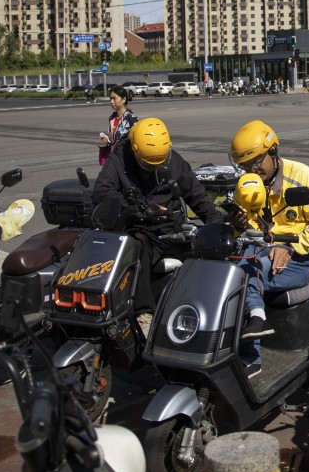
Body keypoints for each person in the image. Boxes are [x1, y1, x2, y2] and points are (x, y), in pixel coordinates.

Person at [92, 117, 223, 333]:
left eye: (161, 163)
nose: (154, 169)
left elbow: (197, 195)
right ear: (134, 152)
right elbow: (102, 191)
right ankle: (144, 314)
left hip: (173, 230)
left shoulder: (173, 160)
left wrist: (216, 224)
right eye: (147, 165)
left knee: (205, 259)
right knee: (134, 246)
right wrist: (140, 209)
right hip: (141, 230)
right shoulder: (119, 159)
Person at [226, 120, 309, 378]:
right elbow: (251, 225)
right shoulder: (248, 183)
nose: (251, 170)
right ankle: (250, 323)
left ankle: (251, 356)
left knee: (245, 275)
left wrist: (290, 247)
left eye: (255, 162)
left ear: (273, 152)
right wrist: (240, 223)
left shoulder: (302, 177)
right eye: (244, 165)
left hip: (304, 257)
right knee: (229, 272)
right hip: (262, 250)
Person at [98, 85, 138, 167]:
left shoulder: (131, 117)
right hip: (114, 158)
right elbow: (115, 140)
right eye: (110, 99)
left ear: (123, 99)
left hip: (127, 160)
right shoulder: (111, 118)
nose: (111, 102)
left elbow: (138, 138)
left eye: (114, 98)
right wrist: (108, 140)